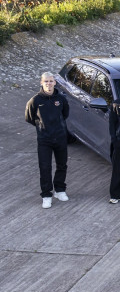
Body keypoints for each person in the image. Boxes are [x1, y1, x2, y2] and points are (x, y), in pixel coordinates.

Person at [25, 72, 70, 209]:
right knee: (45, 167)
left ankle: (60, 190)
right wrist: (42, 127)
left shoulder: (61, 99)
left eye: (51, 81)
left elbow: (65, 114)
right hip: (44, 139)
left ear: (55, 83)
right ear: (41, 83)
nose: (49, 84)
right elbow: (29, 118)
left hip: (60, 137)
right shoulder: (35, 100)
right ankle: (46, 195)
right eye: (46, 81)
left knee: (62, 165)